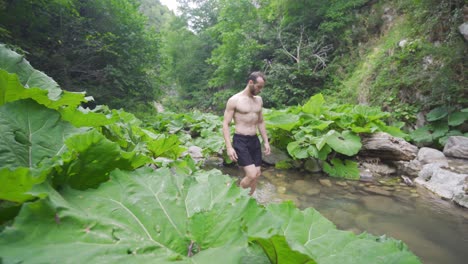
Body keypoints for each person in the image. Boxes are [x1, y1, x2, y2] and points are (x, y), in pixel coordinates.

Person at [222, 71, 271, 195]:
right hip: (240, 140)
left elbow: (260, 121)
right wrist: (229, 147)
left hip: (254, 140)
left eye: (262, 87)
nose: (260, 90)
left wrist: (266, 141)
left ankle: (248, 201)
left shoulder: (259, 100)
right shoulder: (234, 100)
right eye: (258, 87)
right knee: (251, 174)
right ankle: (235, 196)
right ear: (250, 82)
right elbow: (226, 124)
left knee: (257, 174)